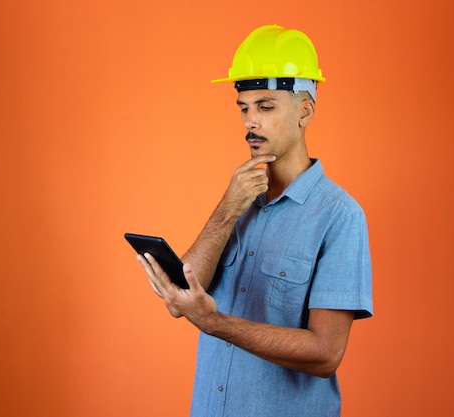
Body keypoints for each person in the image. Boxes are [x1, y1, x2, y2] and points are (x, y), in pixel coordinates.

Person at [136, 24, 373, 417]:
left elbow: (326, 353)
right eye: (243, 108)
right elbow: (182, 298)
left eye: (265, 107)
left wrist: (217, 324)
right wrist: (229, 206)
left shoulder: (340, 216)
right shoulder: (239, 198)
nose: (250, 121)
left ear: (305, 111)